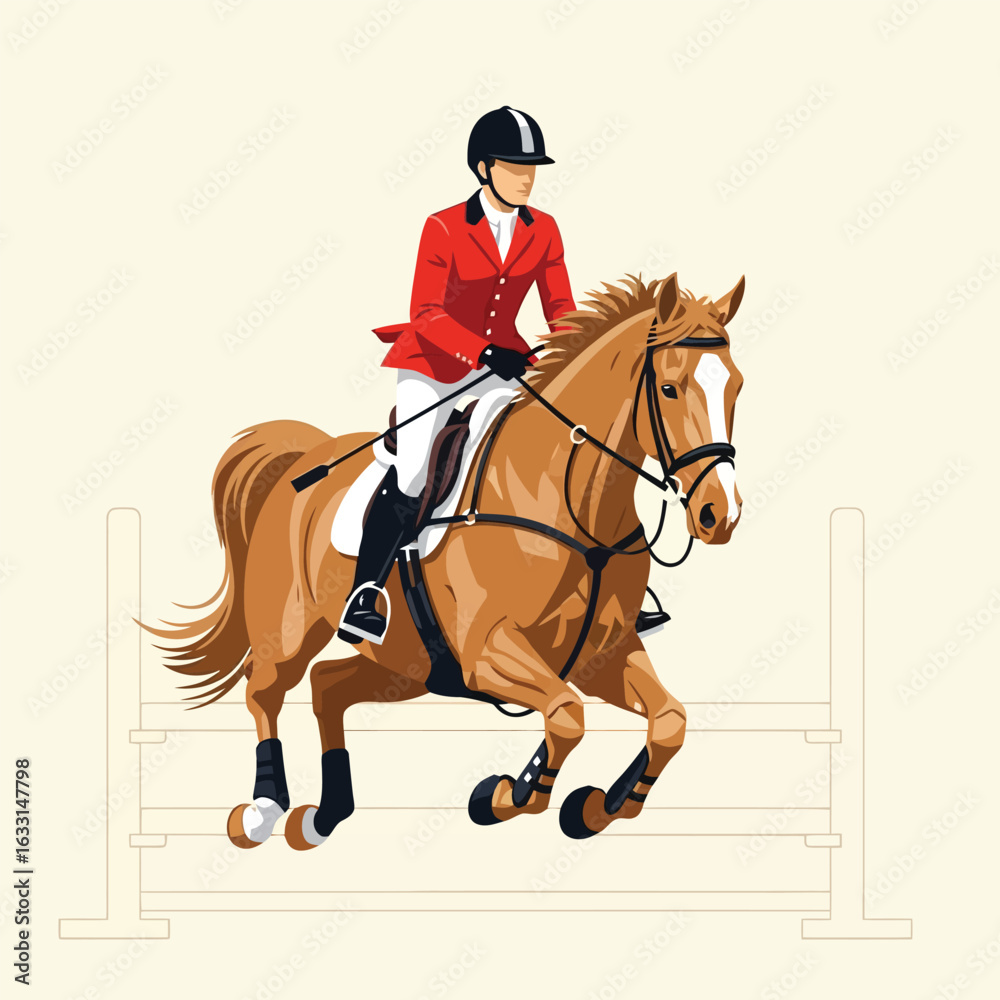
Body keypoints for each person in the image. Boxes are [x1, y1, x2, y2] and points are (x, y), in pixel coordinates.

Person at [337, 106, 576, 645]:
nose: (527, 178)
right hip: (434, 364)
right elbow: (427, 313)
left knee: (562, 441)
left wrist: (573, 354)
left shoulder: (544, 230)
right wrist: (484, 351)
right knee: (414, 472)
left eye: (532, 168)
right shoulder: (443, 226)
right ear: (485, 168)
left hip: (506, 362)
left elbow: (561, 308)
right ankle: (364, 593)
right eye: (516, 167)